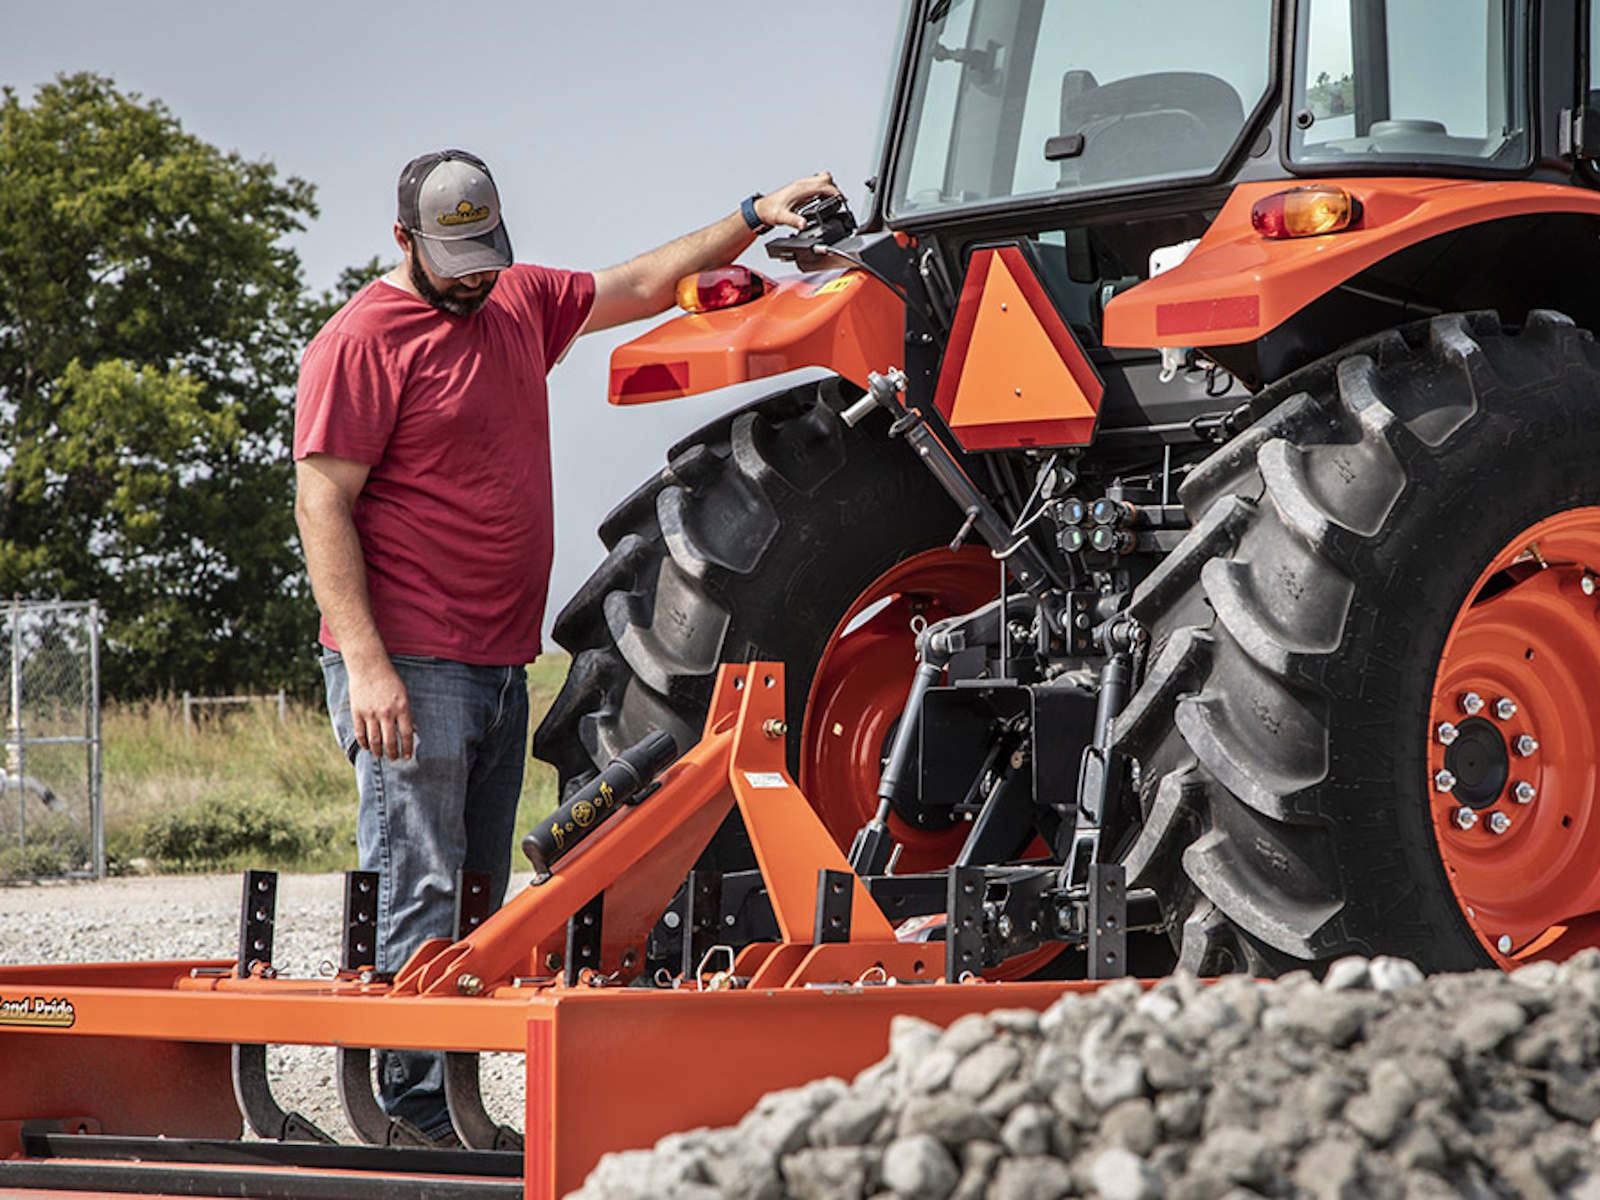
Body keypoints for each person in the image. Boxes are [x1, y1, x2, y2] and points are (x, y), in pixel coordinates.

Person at [292, 149, 839, 1142]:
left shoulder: (516, 302)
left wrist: (752, 215)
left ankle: (447, 1099)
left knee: (477, 892)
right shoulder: (361, 341)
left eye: (485, 257)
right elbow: (322, 500)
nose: (475, 279)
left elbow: (642, 281)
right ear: (404, 239)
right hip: (409, 663)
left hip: (497, 662)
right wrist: (367, 664)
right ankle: (410, 1112)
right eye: (454, 261)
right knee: (419, 878)